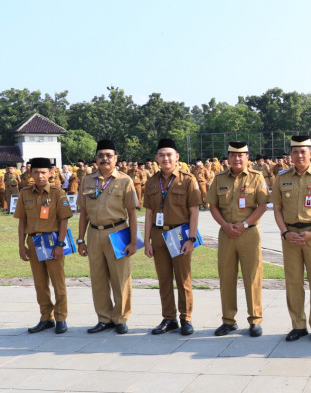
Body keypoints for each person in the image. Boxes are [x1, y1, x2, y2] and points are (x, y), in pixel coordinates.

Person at [271, 136, 311, 342]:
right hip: (290, 235)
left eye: (303, 151)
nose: (299, 155)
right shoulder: (281, 177)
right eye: (295, 152)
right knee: (293, 281)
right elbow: (277, 209)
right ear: (290, 155)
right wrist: (284, 233)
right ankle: (298, 325)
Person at [77, 140, 139, 334]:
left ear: (116, 158)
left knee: (120, 278)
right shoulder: (87, 180)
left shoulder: (124, 180)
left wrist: (133, 241)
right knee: (98, 278)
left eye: (109, 155)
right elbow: (84, 213)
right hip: (94, 232)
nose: (105, 159)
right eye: (101, 155)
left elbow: (133, 214)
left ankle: (120, 318)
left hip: (118, 232)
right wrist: (81, 239)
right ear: (96, 158)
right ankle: (104, 318)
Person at [207, 142, 270, 337]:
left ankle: (255, 320)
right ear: (228, 157)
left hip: (249, 233)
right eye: (233, 155)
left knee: (252, 277)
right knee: (227, 277)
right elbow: (213, 206)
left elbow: (262, 205)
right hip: (226, 233)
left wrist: (243, 225)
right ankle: (228, 320)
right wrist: (226, 226)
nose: (237, 159)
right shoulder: (218, 179)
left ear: (247, 157)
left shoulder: (256, 177)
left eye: (241, 155)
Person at [143, 139, 202, 336]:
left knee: (183, 278)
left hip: (179, 234)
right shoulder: (151, 182)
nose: (165, 158)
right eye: (161, 155)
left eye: (169, 154)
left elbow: (194, 211)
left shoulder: (187, 180)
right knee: (164, 279)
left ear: (177, 157)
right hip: (159, 235)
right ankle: (169, 318)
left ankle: (186, 318)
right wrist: (147, 241)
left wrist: (191, 239)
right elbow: (149, 214)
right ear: (156, 159)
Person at [14, 157, 73, 334]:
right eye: (36, 172)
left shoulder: (57, 193)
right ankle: (46, 317)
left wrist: (60, 244)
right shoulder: (25, 193)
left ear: (50, 173)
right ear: (30, 173)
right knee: (40, 283)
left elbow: (64, 220)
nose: (40, 176)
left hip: (52, 242)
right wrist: (21, 245)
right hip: (33, 242)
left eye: (43, 172)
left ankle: (61, 317)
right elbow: (22, 221)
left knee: (58, 282)